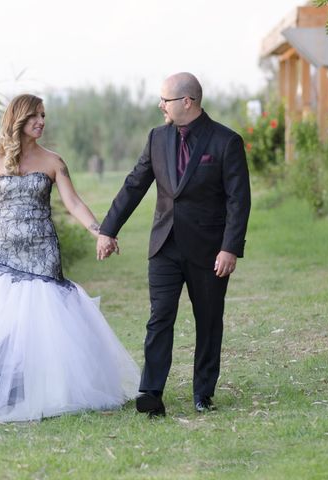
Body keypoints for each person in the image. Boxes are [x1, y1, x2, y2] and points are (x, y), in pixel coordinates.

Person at [0, 94, 139, 422]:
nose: (41, 122)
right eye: (34, 116)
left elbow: (73, 203)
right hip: (2, 254)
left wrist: (100, 231)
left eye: (43, 116)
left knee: (39, 323)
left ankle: (39, 394)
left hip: (41, 253)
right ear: (18, 119)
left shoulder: (53, 162)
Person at [96, 73, 251, 417]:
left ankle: (203, 393)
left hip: (210, 251)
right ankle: (151, 392)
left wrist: (230, 247)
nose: (159, 105)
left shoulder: (226, 142)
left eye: (164, 99)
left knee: (208, 320)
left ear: (187, 102)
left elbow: (239, 200)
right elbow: (134, 185)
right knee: (159, 317)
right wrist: (108, 229)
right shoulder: (156, 138)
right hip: (164, 245)